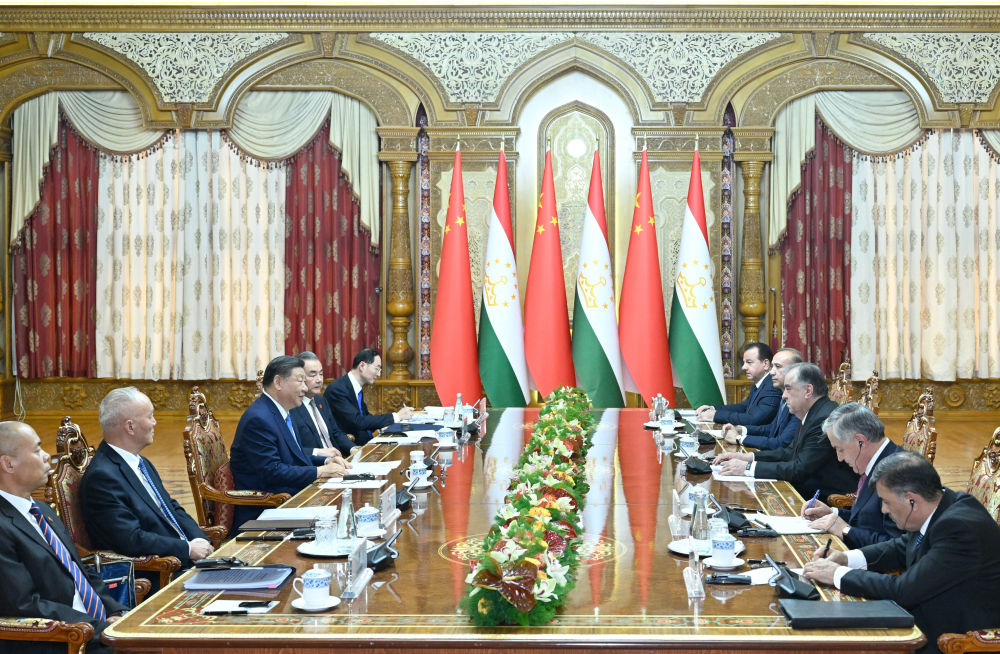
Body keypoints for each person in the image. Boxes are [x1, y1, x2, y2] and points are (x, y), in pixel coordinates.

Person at [803, 451, 1000, 654]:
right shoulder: (939, 505)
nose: (883, 510)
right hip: (926, 618)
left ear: (911, 499)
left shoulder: (960, 528)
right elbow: (901, 546)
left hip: (952, 640)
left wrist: (837, 574)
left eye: (886, 501)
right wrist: (846, 558)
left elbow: (904, 591)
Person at [0, 421, 127, 653]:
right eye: (37, 450)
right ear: (8, 464)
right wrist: (99, 627)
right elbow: (24, 605)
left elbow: (79, 570)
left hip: (93, 630)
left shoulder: (42, 510)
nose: (47, 457)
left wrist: (114, 611)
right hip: (60, 640)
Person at [80, 388, 213, 578]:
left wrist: (200, 539)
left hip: (183, 561)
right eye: (150, 416)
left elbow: (171, 508)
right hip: (158, 573)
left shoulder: (140, 462)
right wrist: (187, 549)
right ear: (130, 426)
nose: (154, 422)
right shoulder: (102, 478)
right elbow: (130, 539)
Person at [230, 355, 350, 526]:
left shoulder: (284, 412)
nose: (305, 388)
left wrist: (326, 461)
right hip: (266, 509)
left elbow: (294, 456)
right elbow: (273, 471)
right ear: (278, 382)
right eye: (300, 381)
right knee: (340, 518)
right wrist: (321, 471)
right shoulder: (258, 419)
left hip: (291, 496)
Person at [713, 362, 858, 502]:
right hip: (804, 490)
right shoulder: (812, 411)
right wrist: (747, 457)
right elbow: (788, 452)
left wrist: (747, 468)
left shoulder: (822, 419)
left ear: (808, 391)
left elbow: (799, 469)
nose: (783, 396)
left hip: (824, 499)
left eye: (788, 389)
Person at [799, 402, 903, 547]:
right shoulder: (878, 460)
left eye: (840, 449)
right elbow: (867, 520)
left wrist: (846, 530)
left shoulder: (898, 475)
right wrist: (832, 514)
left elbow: (897, 546)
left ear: (860, 441)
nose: (839, 458)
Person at [325, 348, 413, 445]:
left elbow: (366, 416)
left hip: (366, 442)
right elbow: (358, 421)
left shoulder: (355, 387)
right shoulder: (337, 389)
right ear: (362, 366)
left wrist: (383, 425)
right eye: (377, 368)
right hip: (351, 446)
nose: (379, 374)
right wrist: (396, 416)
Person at [721, 347, 803, 450]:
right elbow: (772, 429)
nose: (772, 372)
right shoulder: (784, 396)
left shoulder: (800, 402)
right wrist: (741, 429)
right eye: (772, 366)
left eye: (778, 366)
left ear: (795, 371)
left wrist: (739, 438)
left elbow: (781, 443)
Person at [290, 351, 357, 457]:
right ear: (299, 378)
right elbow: (292, 449)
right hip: (316, 464)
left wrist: (353, 449)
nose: (319, 380)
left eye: (321, 374)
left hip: (338, 459)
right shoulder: (291, 406)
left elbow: (335, 432)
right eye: (313, 375)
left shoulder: (320, 401)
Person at [695, 342, 780, 426]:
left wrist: (715, 415)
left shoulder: (773, 386)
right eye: (744, 362)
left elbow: (754, 419)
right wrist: (713, 409)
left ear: (765, 364)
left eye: (749, 362)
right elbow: (743, 407)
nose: (743, 367)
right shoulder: (760, 383)